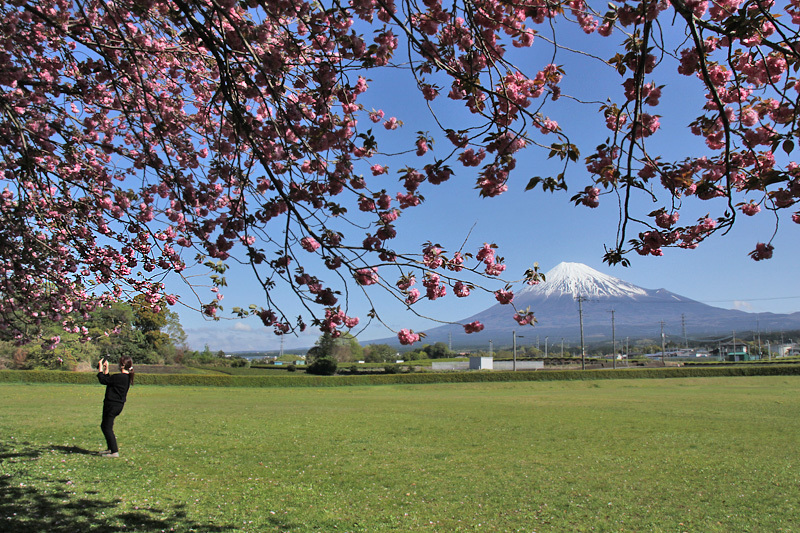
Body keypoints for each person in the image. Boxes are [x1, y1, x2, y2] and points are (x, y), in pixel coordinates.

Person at [97, 355, 134, 457]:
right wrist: (106, 369)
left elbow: (103, 380)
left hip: (111, 405)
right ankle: (110, 449)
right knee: (106, 426)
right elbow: (109, 380)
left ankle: (114, 452)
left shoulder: (119, 377)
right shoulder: (125, 378)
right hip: (117, 405)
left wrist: (100, 369)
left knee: (106, 427)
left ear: (122, 365)